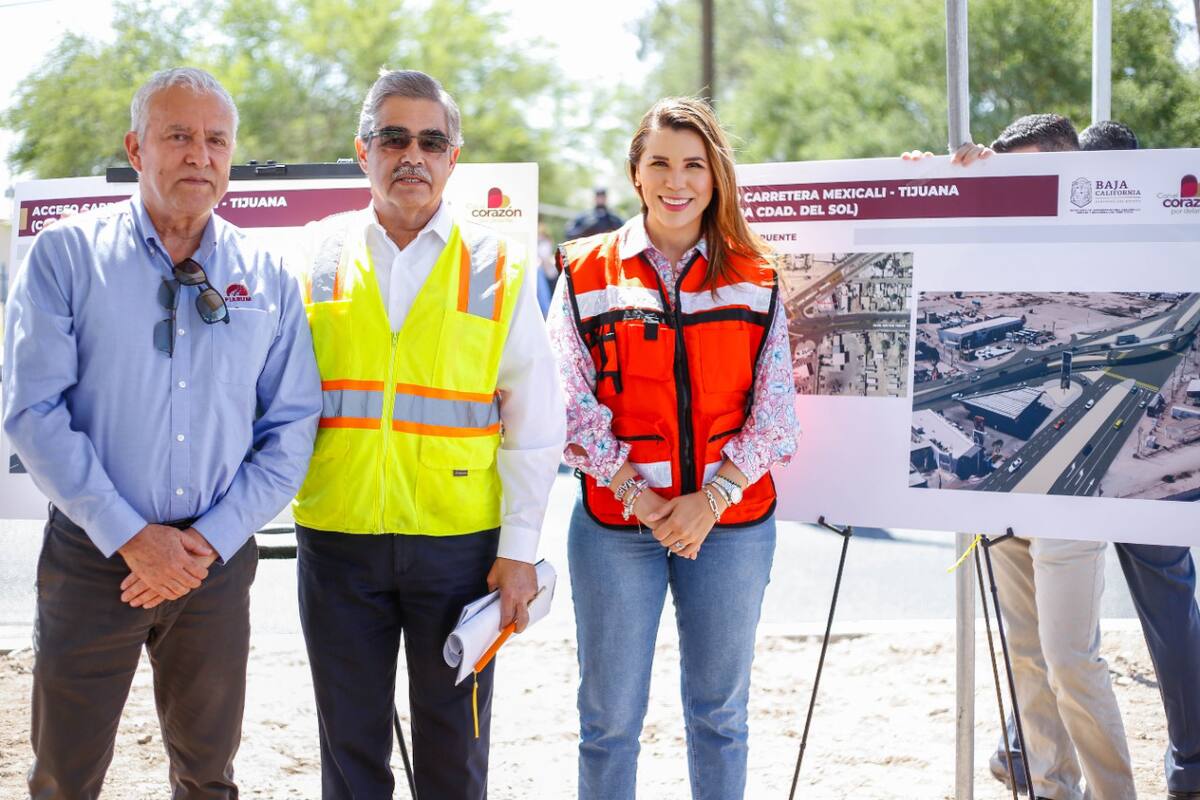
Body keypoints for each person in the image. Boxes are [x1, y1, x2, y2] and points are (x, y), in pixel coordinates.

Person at [2, 67, 321, 799]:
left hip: (214, 568)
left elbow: (292, 423)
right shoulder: (66, 256)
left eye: (216, 140)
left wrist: (208, 540)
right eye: (178, 136)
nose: (199, 155)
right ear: (136, 148)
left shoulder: (267, 273)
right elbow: (33, 410)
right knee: (64, 777)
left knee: (209, 775)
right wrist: (131, 537)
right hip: (94, 559)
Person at [292, 68, 564, 800]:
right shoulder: (313, 255)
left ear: (453, 158)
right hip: (338, 541)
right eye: (394, 138)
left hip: (459, 552)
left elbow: (537, 422)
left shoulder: (497, 265)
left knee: (454, 756)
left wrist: (518, 550)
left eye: (431, 141)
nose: (412, 155)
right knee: (349, 753)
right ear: (363, 151)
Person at [548, 96, 800, 800]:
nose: (676, 180)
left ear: (716, 177)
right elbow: (568, 401)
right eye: (660, 163)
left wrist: (710, 500)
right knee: (607, 722)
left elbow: (776, 411)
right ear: (636, 172)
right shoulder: (586, 270)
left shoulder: (756, 274)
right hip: (614, 526)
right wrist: (638, 493)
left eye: (694, 164)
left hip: (731, 527)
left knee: (721, 717)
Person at [920, 113, 1136, 800]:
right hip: (1002, 479)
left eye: (1037, 169)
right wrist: (933, 179)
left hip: (1073, 484)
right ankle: (1051, 787)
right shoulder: (998, 234)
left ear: (1073, 169)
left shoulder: (1112, 235)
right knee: (1026, 656)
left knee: (1071, 659)